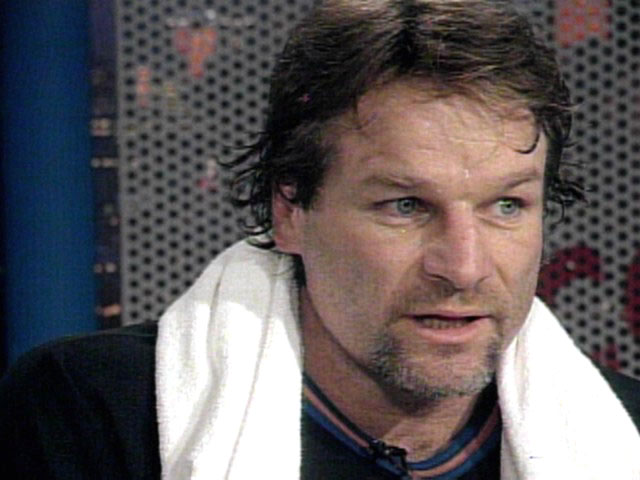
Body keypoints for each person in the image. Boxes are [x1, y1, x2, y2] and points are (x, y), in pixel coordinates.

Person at [2, 1, 640, 479]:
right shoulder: (95, 412)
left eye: (507, 205)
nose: (464, 267)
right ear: (290, 211)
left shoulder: (626, 435)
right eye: (406, 206)